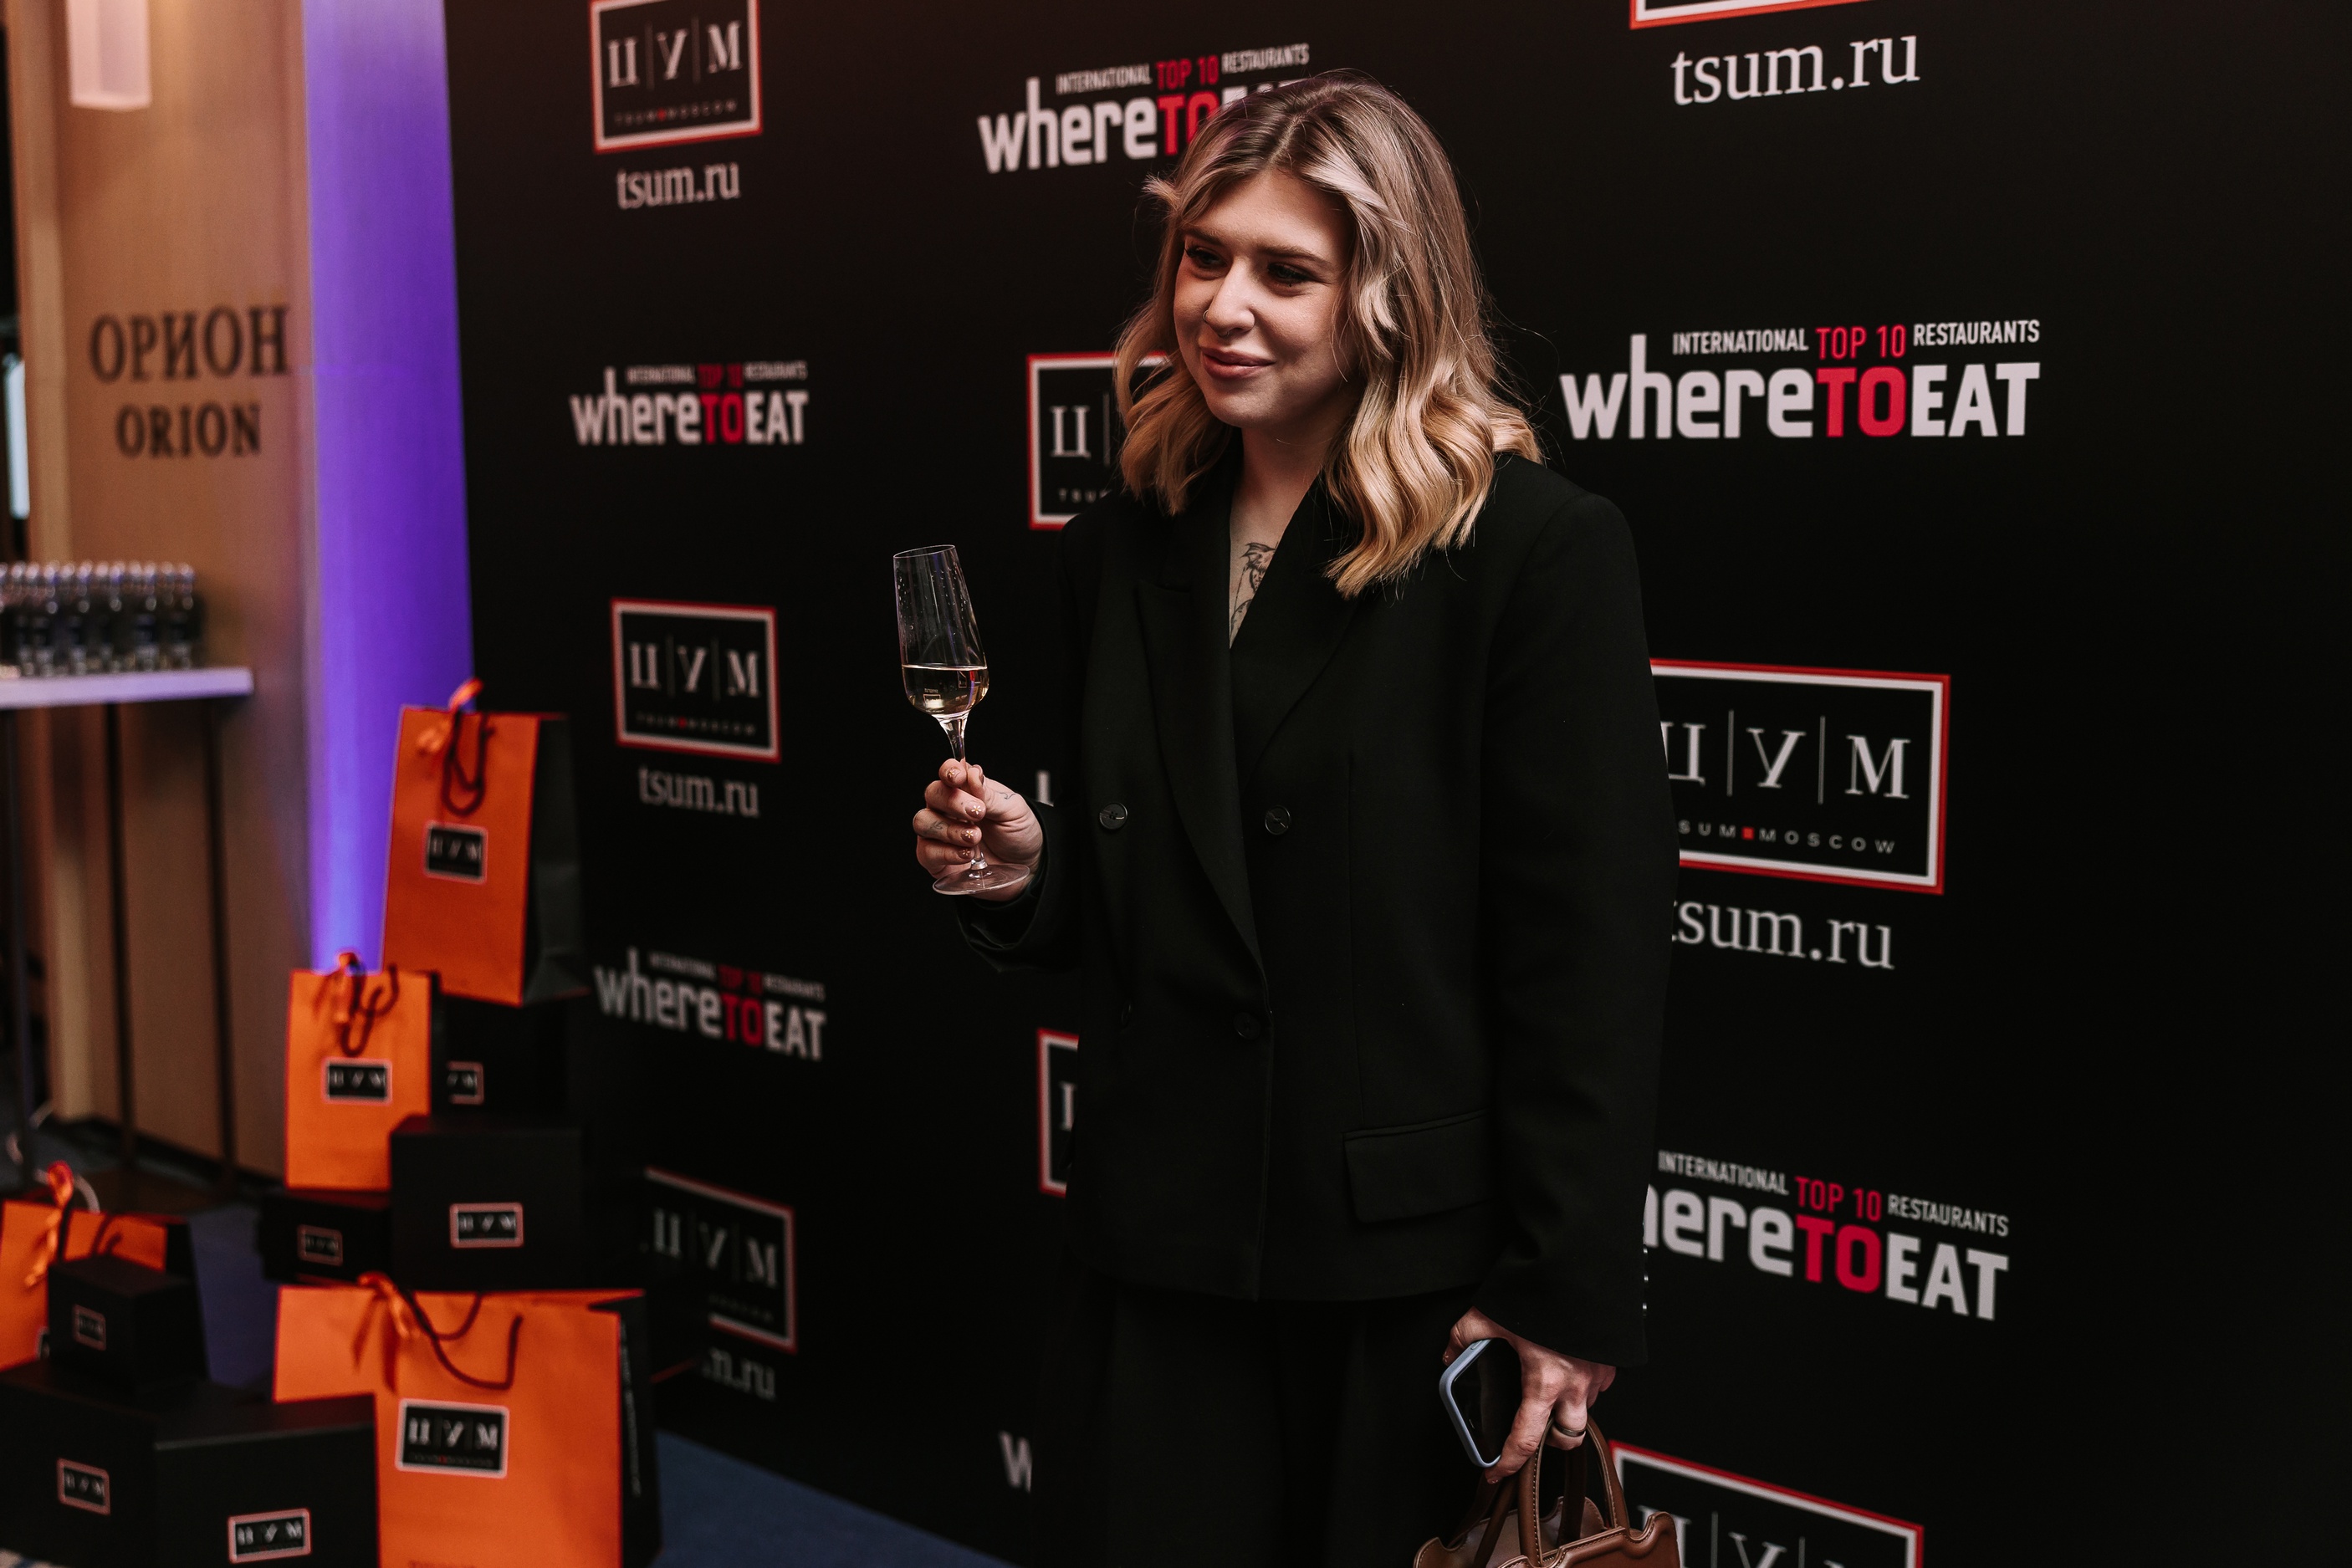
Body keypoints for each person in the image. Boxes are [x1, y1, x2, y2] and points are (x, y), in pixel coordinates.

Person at [910, 73, 1675, 1567]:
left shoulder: (1530, 551)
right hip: (1158, 1247)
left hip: (1401, 1279)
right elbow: (1162, 893)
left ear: (1389, 299)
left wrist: (1563, 1282)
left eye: (1286, 272)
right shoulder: (1121, 544)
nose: (1224, 308)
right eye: (1203, 258)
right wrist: (1029, 875)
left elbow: (1589, 951)